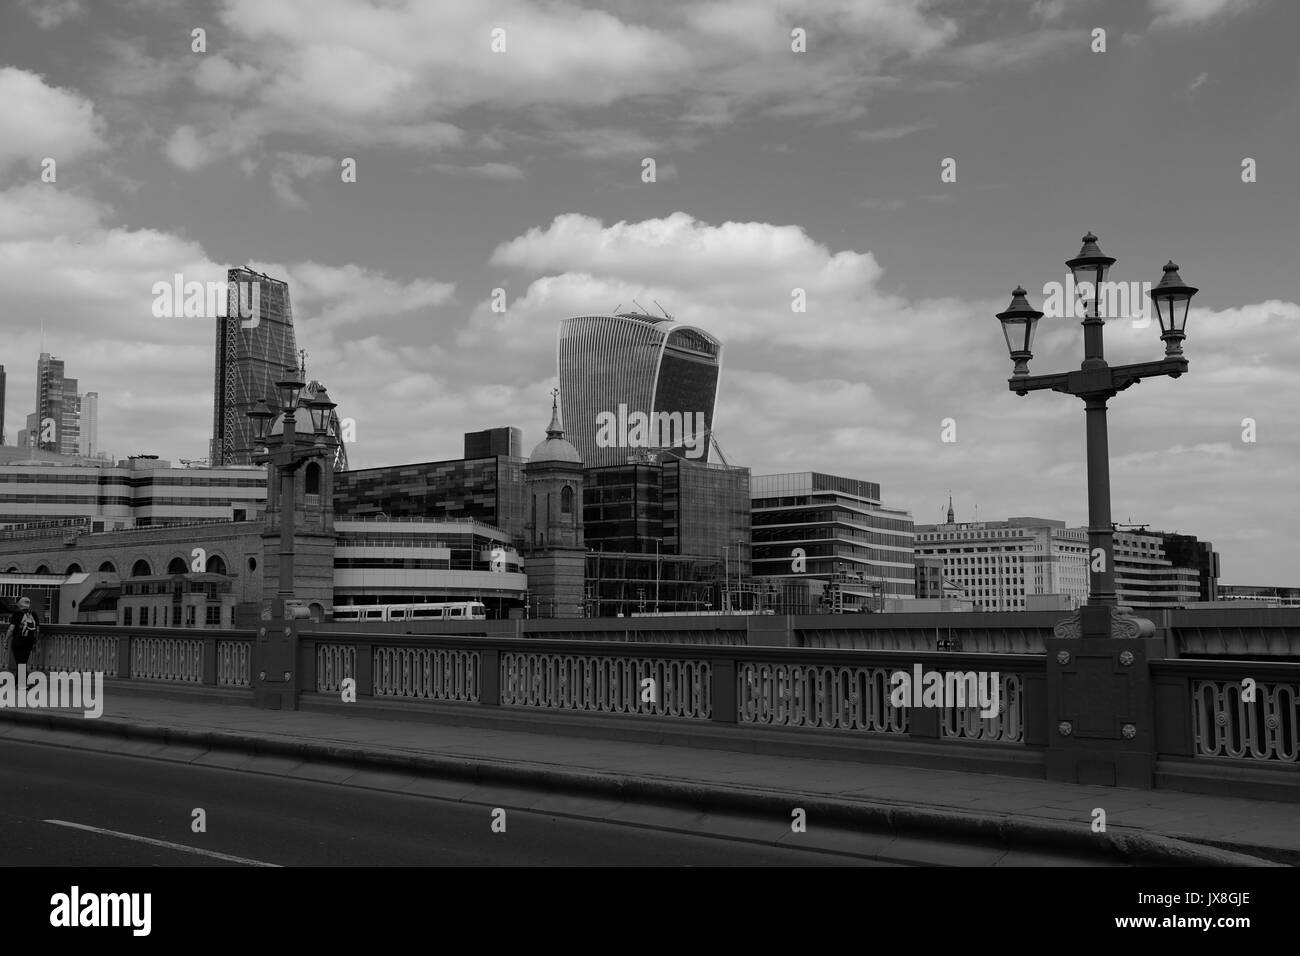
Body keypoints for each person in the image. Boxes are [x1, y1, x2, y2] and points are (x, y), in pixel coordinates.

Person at [6, 596, 41, 676]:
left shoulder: (17, 614)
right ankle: (18, 682)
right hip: (29, 641)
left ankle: (22, 684)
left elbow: (11, 629)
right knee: (23, 662)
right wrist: (35, 642)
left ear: (20, 604)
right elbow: (37, 630)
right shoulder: (34, 614)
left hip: (18, 641)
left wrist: (6, 640)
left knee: (20, 662)